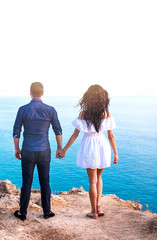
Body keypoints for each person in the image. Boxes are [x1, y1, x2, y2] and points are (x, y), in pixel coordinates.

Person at [58, 84, 119, 219]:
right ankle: (98, 206)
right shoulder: (106, 114)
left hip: (89, 145)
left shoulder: (83, 114)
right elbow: (111, 136)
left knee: (92, 181)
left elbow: (75, 135)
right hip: (102, 145)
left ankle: (93, 212)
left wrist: (64, 150)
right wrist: (115, 153)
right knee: (99, 177)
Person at [13, 82, 63, 221]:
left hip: (27, 150)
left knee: (26, 183)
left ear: (30, 92)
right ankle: (47, 212)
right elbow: (57, 130)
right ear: (42, 93)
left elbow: (16, 132)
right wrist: (60, 148)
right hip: (44, 151)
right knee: (45, 182)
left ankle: (22, 213)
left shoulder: (22, 109)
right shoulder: (50, 110)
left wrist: (17, 149)